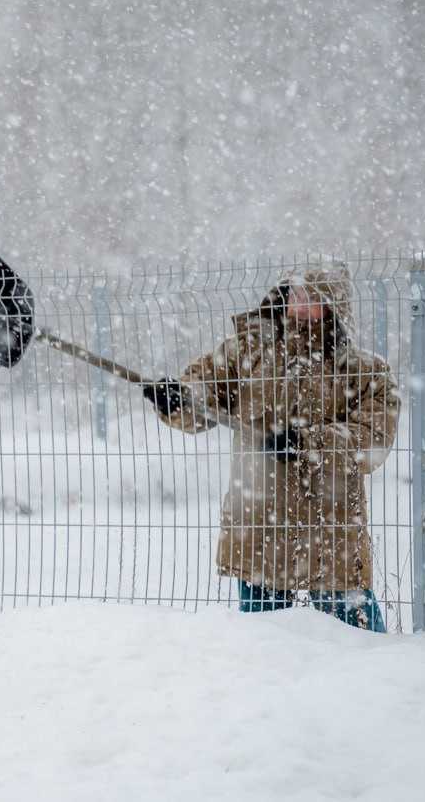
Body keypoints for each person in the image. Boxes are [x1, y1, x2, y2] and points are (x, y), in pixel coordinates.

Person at [142, 262, 400, 631]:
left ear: (334, 307)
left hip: (330, 531)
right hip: (259, 527)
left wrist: (307, 443)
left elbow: (373, 439)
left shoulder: (362, 372)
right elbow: (204, 393)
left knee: (359, 647)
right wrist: (178, 398)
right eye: (294, 293)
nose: (299, 303)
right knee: (263, 651)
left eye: (311, 297)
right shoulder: (247, 354)